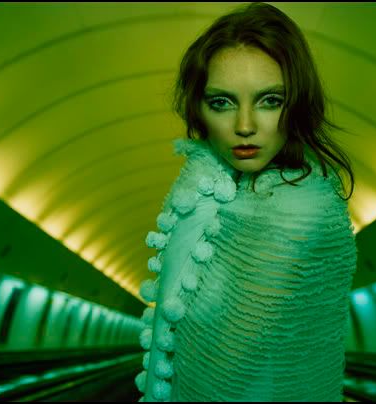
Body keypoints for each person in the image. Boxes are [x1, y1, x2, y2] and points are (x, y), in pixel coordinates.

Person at [135, 2, 357, 402]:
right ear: (199, 109)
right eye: (222, 102)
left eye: (270, 100)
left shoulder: (302, 214)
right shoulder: (200, 192)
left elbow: (230, 369)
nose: (244, 126)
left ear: (298, 103)